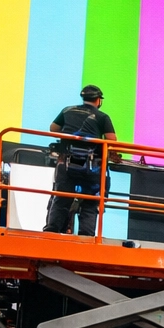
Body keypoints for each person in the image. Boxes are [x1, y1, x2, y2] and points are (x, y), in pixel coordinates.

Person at [45, 84, 118, 236]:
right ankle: (86, 235)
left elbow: (53, 128)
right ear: (99, 100)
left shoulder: (67, 110)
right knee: (90, 202)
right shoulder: (102, 117)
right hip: (91, 167)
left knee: (62, 198)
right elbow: (112, 139)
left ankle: (52, 230)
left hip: (67, 163)